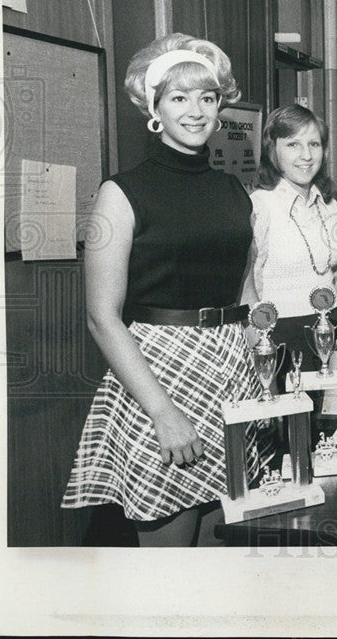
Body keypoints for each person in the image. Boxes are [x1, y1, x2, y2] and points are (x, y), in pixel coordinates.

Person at [62, 33, 272, 546]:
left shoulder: (232, 189)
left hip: (231, 374)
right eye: (179, 98)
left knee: (223, 547)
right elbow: (101, 317)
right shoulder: (121, 192)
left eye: (207, 97)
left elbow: (243, 286)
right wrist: (162, 411)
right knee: (170, 565)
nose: (196, 111)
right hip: (159, 378)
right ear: (154, 107)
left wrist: (258, 347)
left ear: (221, 105)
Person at [242, 104, 337, 386]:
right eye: (293, 144)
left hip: (333, 328)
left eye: (314, 143)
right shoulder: (258, 207)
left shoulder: (330, 205)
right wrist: (257, 352)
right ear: (272, 149)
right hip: (282, 337)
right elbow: (248, 289)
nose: (306, 155)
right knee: (295, 430)